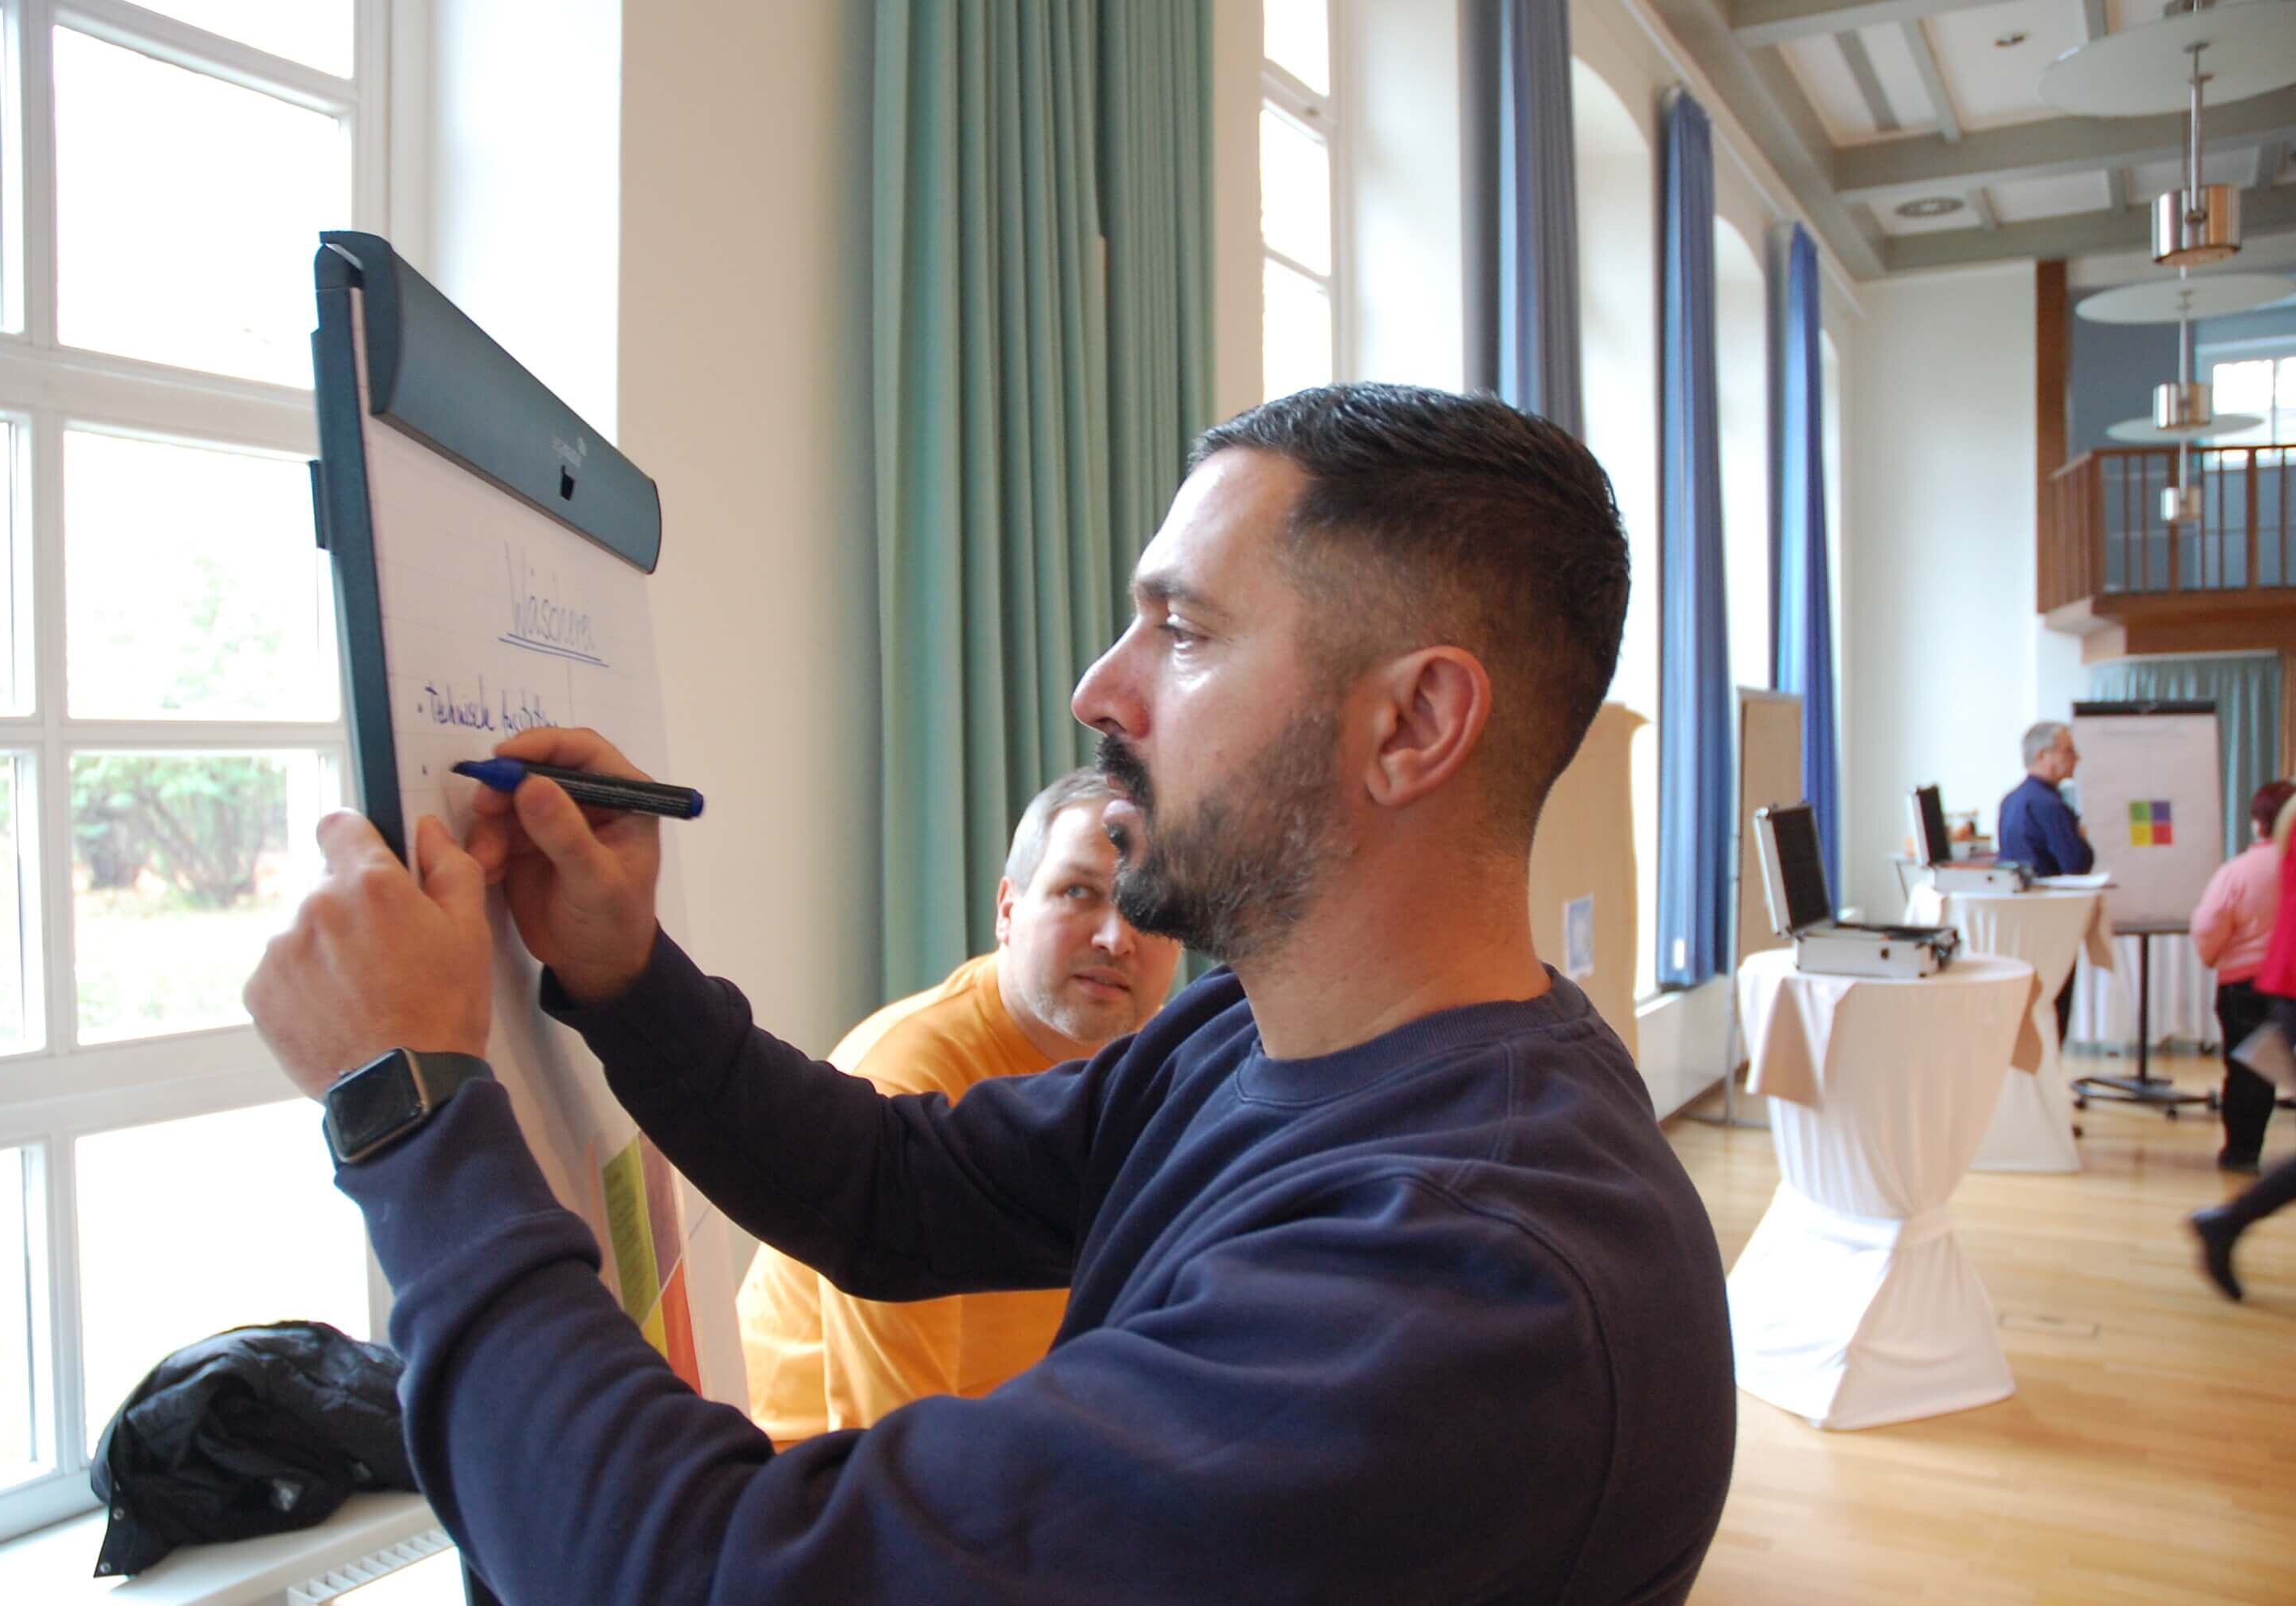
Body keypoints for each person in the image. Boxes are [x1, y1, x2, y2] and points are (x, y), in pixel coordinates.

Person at [243, 382, 1737, 1604]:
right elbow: (900, 1185)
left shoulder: (1462, 1296)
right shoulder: (1254, 1034)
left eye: (1184, 631)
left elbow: (705, 1581)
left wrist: (411, 1109)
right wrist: (623, 975)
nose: (1099, 690)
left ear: (1412, 724)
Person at [736, 767, 1180, 1445]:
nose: (1116, 937)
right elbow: (895, 1444)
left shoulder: (1162, 1073)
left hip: (1015, 1445)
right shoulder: (907, 1084)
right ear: (1008, 909)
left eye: (1146, 906)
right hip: (817, 1474)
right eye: (1079, 892)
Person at [2192, 790, 2296, 1299]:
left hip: (2260, 983)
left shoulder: (2247, 865)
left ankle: (2234, 1191)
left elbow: (2209, 927)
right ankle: (2229, 1218)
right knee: (2254, 1078)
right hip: (2284, 984)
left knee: (2247, 1076)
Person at [1999, 719, 2097, 1039]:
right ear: (2043, 755)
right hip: (2051, 923)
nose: (2076, 758)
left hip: (2017, 923)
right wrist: (2080, 836)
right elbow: (2076, 863)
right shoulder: (2050, 806)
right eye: (2068, 750)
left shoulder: (2011, 800)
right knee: (2053, 1006)